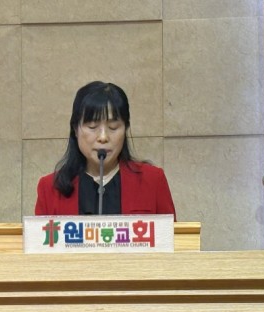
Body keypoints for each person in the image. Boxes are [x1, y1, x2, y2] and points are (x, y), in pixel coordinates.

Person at [35, 81, 176, 219]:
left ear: (125, 129)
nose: (103, 137)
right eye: (92, 127)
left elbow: (172, 234)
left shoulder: (153, 181)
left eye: (113, 127)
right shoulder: (49, 188)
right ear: (75, 129)